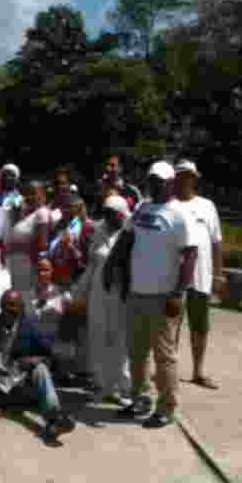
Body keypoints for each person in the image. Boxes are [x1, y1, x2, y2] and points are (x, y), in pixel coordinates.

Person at [103, 161, 198, 428]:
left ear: (170, 183)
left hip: (164, 296)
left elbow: (190, 255)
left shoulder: (179, 214)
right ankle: (140, 399)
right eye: (151, 180)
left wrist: (179, 293)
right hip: (137, 293)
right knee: (137, 352)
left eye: (159, 181)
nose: (153, 184)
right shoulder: (143, 208)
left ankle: (167, 407)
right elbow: (126, 239)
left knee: (164, 355)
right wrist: (111, 264)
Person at [0, 287, 76, 444]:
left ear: (21, 310)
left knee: (41, 369)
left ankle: (54, 419)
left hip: (20, 389)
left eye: (14, 308)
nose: (10, 312)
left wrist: (36, 359)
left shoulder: (30, 329)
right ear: (1, 307)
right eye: (7, 307)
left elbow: (50, 355)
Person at [73, 195, 132, 406]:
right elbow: (91, 265)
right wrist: (79, 294)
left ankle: (122, 388)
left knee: (120, 341)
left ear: (122, 214)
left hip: (121, 295)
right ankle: (100, 385)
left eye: (111, 214)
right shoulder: (99, 231)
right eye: (105, 214)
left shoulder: (131, 233)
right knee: (97, 337)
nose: (107, 219)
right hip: (98, 292)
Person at [172, 160, 226, 389]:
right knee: (172, 324)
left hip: (201, 277)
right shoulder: (170, 205)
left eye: (188, 175)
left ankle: (198, 371)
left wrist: (218, 274)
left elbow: (216, 242)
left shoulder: (207, 206)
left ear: (195, 178)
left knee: (200, 326)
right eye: (180, 175)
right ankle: (167, 371)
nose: (184, 179)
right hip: (173, 277)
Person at [1, 180, 52, 292]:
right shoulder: (26, 215)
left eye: (33, 193)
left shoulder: (41, 213)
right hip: (16, 266)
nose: (29, 197)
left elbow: (42, 245)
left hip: (27, 268)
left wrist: (14, 248)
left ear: (43, 195)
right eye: (27, 193)